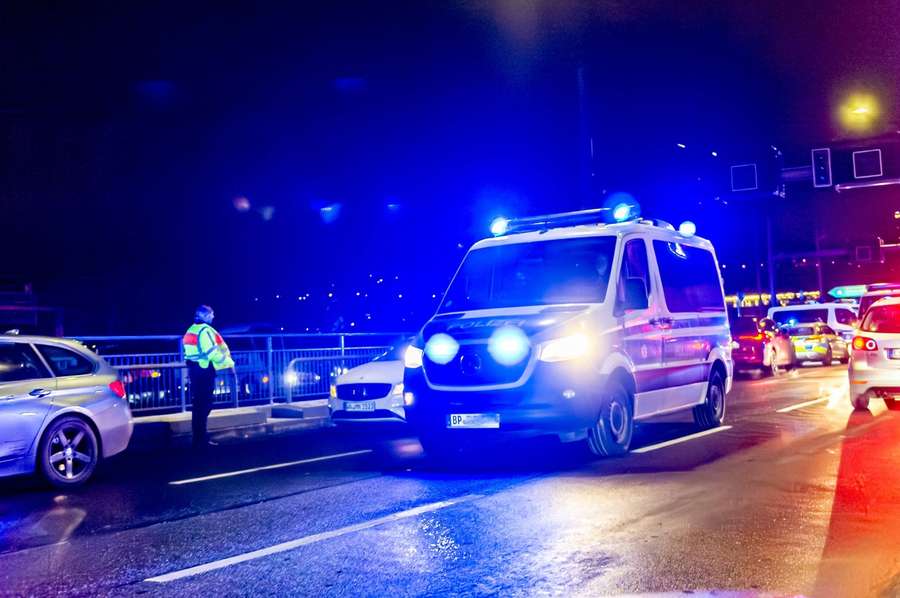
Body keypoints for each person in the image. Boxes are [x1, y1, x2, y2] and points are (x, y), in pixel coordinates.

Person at [182, 305, 235, 448]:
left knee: (199, 405)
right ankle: (201, 439)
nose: (213, 317)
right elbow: (213, 353)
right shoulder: (205, 331)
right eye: (211, 314)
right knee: (204, 404)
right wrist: (230, 364)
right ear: (204, 316)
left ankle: (198, 438)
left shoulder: (191, 329)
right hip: (204, 370)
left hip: (194, 370)